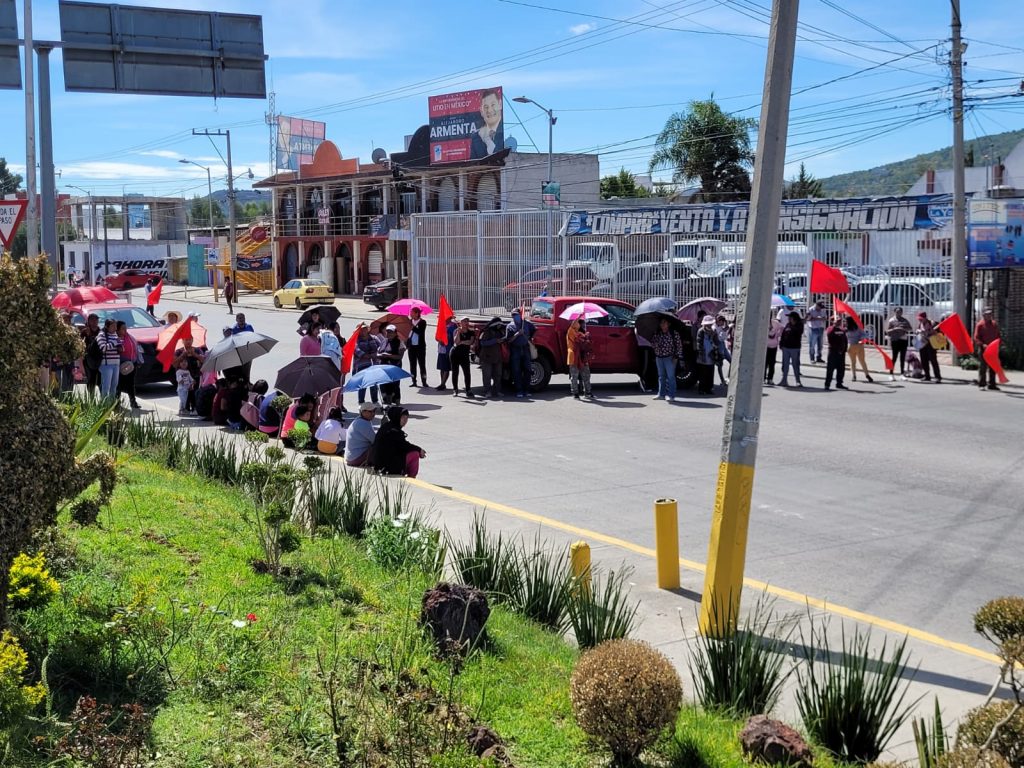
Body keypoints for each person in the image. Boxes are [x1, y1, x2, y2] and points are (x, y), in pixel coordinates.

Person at [370, 406, 425, 478]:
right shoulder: (393, 431)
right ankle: (412, 477)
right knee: (414, 454)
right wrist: (419, 449)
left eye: (406, 418)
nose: (405, 420)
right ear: (396, 417)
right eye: (403, 418)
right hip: (386, 467)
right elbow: (405, 446)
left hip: (379, 464)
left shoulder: (386, 426)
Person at [650, 317, 683, 401]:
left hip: (670, 357)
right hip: (659, 357)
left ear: (668, 324)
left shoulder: (673, 333)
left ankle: (671, 395)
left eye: (664, 323)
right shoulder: (657, 333)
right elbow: (652, 343)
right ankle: (661, 394)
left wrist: (676, 357)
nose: (662, 325)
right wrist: (655, 344)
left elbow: (679, 346)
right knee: (661, 376)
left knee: (671, 377)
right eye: (661, 323)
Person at [505, 308, 536, 398]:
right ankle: (519, 390)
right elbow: (508, 340)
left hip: (525, 348)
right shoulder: (510, 326)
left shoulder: (526, 324)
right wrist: (517, 334)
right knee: (516, 370)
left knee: (528, 369)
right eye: (514, 315)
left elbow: (534, 329)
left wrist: (531, 338)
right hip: (515, 349)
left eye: (517, 315)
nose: (515, 317)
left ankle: (526, 389)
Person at [173, 337, 206, 412]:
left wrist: (195, 354)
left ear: (192, 340)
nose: (188, 341)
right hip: (184, 378)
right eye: (186, 340)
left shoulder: (197, 350)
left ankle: (195, 408)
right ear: (182, 341)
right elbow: (174, 364)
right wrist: (183, 355)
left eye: (190, 339)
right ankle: (184, 408)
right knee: (185, 394)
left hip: (195, 376)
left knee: (195, 393)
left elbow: (203, 360)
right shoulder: (178, 351)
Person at [470, 88, 504, 160]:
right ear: (481, 111)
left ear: (500, 104)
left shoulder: (503, 133)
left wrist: (487, 140)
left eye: (493, 105)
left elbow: (498, 157)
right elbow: (473, 164)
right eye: (486, 107)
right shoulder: (476, 136)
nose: (490, 110)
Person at [115, 320, 142, 409]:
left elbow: (136, 349)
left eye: (125, 328)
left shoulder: (130, 337)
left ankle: (133, 402)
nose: (125, 330)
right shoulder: (115, 339)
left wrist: (138, 361)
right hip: (120, 366)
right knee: (119, 384)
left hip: (132, 364)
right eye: (123, 328)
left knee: (131, 384)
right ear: (117, 330)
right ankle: (116, 403)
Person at [974, 308, 1002, 391]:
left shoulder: (994, 324)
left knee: (993, 367)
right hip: (984, 349)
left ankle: (992, 384)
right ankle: (981, 384)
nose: (989, 316)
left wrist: (998, 343)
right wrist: (983, 344)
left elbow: (998, 335)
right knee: (983, 367)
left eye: (990, 314)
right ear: (983, 315)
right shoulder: (980, 325)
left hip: (993, 349)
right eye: (987, 314)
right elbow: (976, 338)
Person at [477, 316, 506, 398]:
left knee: (498, 375)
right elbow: (483, 343)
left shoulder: (499, 331)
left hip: (497, 357)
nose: (500, 326)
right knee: (487, 375)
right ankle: (487, 391)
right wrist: (495, 341)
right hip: (487, 357)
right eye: (498, 324)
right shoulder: (486, 331)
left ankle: (497, 391)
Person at [378, 324, 406, 405]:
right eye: (388, 332)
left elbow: (400, 356)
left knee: (394, 386)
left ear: (395, 333)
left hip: (394, 368)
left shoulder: (399, 342)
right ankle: (386, 402)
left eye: (391, 332)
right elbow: (378, 352)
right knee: (384, 385)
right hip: (384, 367)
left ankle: (396, 403)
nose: (389, 334)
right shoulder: (384, 341)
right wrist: (380, 355)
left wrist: (388, 355)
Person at [695, 315, 723, 396]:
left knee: (710, 373)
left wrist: (715, 335)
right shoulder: (701, 331)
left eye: (710, 324)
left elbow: (717, 342)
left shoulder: (713, 331)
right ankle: (701, 389)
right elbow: (698, 343)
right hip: (703, 355)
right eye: (707, 324)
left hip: (711, 355)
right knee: (703, 374)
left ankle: (709, 389)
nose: (709, 326)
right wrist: (700, 354)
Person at [345, 401, 377, 467]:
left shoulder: (358, 420)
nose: (373, 413)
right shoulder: (363, 424)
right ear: (363, 412)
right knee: (380, 446)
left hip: (350, 458)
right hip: (356, 459)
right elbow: (376, 440)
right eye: (370, 411)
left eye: (374, 411)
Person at [97, 318, 123, 399]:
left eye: (116, 326)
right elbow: (103, 348)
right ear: (107, 326)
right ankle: (104, 406)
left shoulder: (115, 334)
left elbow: (118, 347)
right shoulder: (101, 335)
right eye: (113, 326)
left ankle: (112, 405)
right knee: (106, 387)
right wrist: (115, 342)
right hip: (106, 365)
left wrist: (121, 347)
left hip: (116, 364)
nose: (115, 328)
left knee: (114, 386)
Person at [450, 317, 476, 397]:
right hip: (455, 354)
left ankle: (468, 390)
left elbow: (470, 342)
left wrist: (462, 342)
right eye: (464, 321)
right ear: (460, 323)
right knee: (455, 372)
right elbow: (456, 342)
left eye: (467, 321)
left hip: (464, 354)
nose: (466, 323)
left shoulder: (471, 332)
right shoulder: (457, 331)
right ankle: (455, 389)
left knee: (467, 372)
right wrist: (458, 333)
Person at [353, 326, 380, 405]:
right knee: (363, 384)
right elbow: (357, 351)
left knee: (374, 383)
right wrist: (369, 356)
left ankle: (375, 401)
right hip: (362, 364)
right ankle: (361, 402)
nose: (363, 330)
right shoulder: (357, 340)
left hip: (374, 363)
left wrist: (375, 354)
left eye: (365, 329)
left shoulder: (374, 338)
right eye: (361, 329)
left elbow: (380, 347)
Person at [778, 311, 803, 387]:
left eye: (790, 317)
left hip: (794, 348)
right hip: (786, 347)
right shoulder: (787, 325)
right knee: (785, 365)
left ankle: (798, 381)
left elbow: (798, 333)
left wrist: (793, 325)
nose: (788, 318)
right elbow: (783, 334)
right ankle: (784, 380)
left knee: (795, 365)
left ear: (794, 318)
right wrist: (781, 344)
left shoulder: (799, 325)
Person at [886, 307, 912, 378]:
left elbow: (910, 328)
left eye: (900, 312)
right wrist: (895, 329)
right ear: (895, 312)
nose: (898, 313)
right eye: (897, 312)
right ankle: (891, 374)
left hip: (903, 340)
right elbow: (887, 331)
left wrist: (903, 329)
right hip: (895, 340)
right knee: (894, 357)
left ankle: (902, 374)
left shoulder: (904, 320)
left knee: (902, 358)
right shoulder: (891, 320)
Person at [824, 315, 849, 391]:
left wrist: (844, 349)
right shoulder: (830, 329)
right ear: (832, 321)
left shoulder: (842, 330)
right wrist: (835, 326)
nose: (839, 322)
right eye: (837, 321)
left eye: (840, 321)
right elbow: (829, 335)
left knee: (841, 369)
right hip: (833, 352)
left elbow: (845, 339)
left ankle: (839, 383)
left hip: (841, 352)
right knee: (830, 369)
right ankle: (827, 384)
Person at [80, 313, 102, 396]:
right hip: (88, 359)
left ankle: (102, 399)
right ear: (88, 321)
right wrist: (88, 336)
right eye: (92, 320)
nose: (94, 321)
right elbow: (81, 345)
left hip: (99, 359)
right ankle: (91, 398)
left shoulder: (101, 331)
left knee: (100, 379)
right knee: (91, 379)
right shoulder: (84, 332)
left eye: (96, 320)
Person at [435, 314, 458, 391]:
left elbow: (454, 338)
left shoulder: (453, 326)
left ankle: (443, 383)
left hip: (449, 349)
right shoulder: (441, 326)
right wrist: (440, 340)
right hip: (441, 349)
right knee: (442, 367)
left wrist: (445, 341)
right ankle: (442, 383)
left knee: (446, 367)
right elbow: (436, 337)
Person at [846, 319, 873, 383]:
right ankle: (867, 374)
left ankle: (854, 376)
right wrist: (861, 339)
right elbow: (864, 335)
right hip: (859, 345)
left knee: (853, 362)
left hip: (851, 346)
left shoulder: (846, 329)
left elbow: (845, 337)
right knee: (862, 361)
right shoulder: (857, 327)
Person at [407, 307, 428, 387]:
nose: (410, 314)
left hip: (420, 347)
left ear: (417, 313)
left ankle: (424, 381)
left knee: (422, 365)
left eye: (412, 312)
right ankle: (413, 381)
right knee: (412, 365)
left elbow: (420, 332)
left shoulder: (422, 322)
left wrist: (412, 326)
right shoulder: (409, 321)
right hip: (411, 347)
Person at [715, 315, 733, 386]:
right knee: (720, 364)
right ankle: (722, 380)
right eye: (722, 322)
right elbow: (716, 339)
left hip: (722, 345)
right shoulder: (714, 328)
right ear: (719, 321)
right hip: (719, 345)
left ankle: (727, 378)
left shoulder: (719, 327)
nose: (723, 324)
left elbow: (724, 330)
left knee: (731, 361)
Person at [765, 313, 782, 385]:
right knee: (764, 363)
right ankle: (763, 378)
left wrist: (777, 334)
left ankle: (770, 378)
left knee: (772, 363)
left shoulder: (775, 323)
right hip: (765, 346)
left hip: (773, 345)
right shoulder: (763, 322)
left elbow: (781, 329)